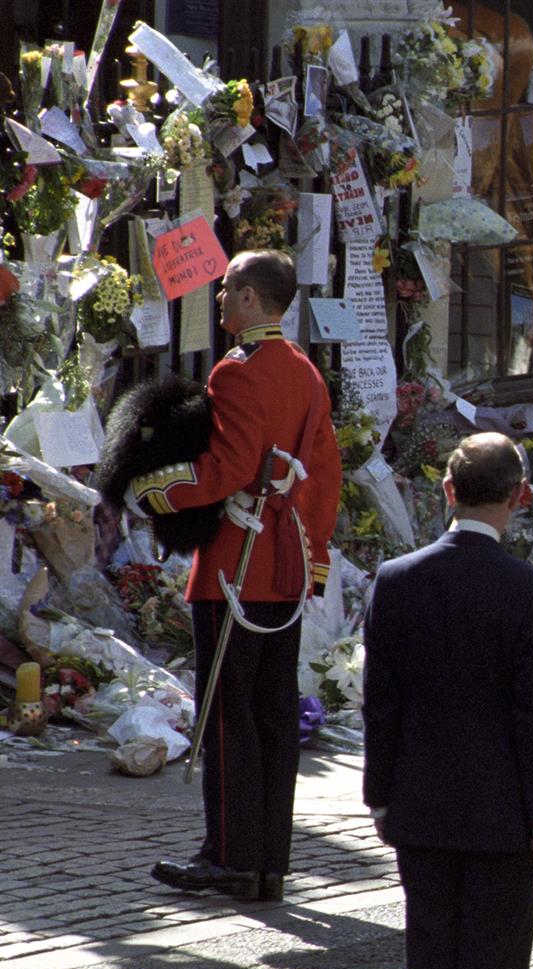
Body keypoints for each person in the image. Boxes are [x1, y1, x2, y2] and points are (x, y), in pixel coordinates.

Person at [360, 432, 533, 969]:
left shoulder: (396, 578)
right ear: (517, 497)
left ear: (446, 491)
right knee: (494, 968)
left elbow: (379, 702)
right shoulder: (530, 591)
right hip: (504, 811)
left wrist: (379, 796)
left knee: (431, 961)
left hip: (420, 803)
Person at [135, 250, 342, 903]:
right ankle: (267, 859)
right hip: (283, 560)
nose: (221, 299)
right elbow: (324, 474)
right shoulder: (306, 372)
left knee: (228, 713)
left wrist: (155, 489)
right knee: (274, 711)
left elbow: (223, 469)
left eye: (227, 290)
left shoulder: (239, 371)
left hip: (236, 562)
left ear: (251, 297)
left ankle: (228, 853)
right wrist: (312, 554)